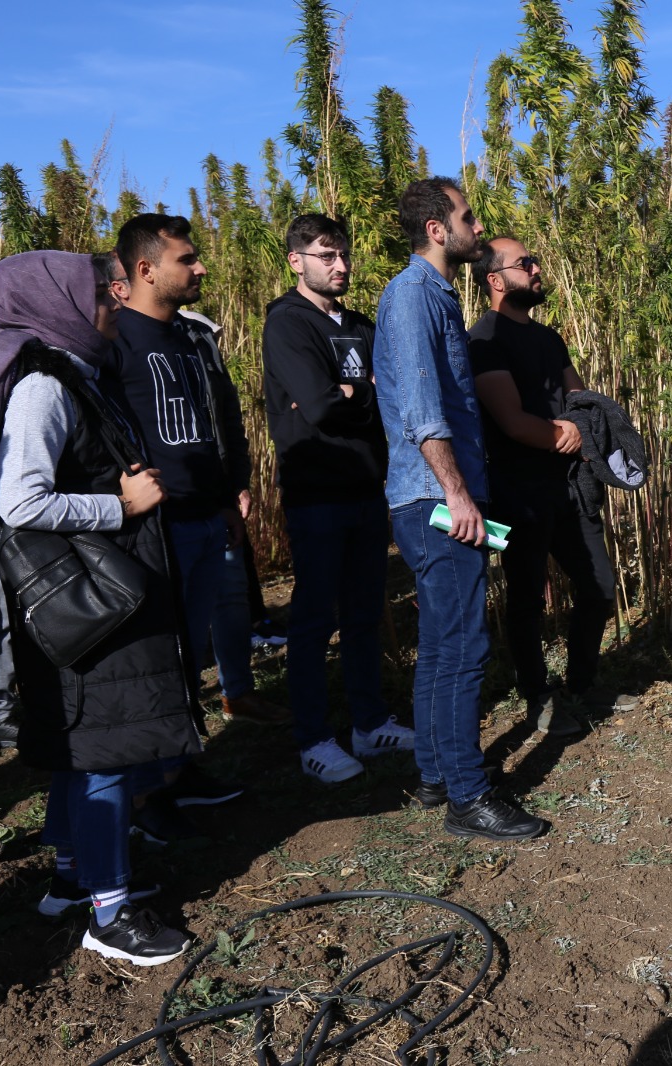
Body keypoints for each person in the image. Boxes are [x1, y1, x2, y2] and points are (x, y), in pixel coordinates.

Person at [0, 250, 199, 964]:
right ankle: (110, 914)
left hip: (105, 593)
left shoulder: (79, 372)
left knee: (90, 750)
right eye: (99, 288)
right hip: (88, 601)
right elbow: (19, 501)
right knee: (104, 749)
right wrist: (120, 502)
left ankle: (72, 879)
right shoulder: (43, 386)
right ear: (61, 302)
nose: (115, 296)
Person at [375, 177, 545, 840]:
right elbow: (421, 409)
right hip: (435, 497)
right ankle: (469, 798)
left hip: (429, 494)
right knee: (464, 645)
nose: (478, 227)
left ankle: (437, 774)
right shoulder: (415, 294)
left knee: (444, 645)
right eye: (468, 217)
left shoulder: (430, 294)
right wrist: (457, 492)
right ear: (439, 230)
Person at [110, 216, 288, 727]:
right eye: (186, 259)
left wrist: (229, 493)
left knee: (206, 633)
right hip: (161, 528)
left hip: (209, 517)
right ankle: (161, 777)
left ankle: (188, 756)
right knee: (167, 650)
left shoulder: (190, 339)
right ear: (145, 269)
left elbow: (217, 420)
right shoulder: (115, 342)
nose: (201, 267)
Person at [263, 213, 411, 783]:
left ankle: (369, 723)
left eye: (344, 254)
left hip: (365, 487)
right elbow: (320, 408)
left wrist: (353, 394)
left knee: (363, 613)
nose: (342, 266)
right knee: (313, 618)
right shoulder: (288, 324)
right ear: (297, 261)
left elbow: (378, 395)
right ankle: (314, 738)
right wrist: (355, 392)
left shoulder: (361, 324)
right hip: (317, 492)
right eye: (327, 255)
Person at [470, 237, 613, 737]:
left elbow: (578, 397)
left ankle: (581, 682)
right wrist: (564, 432)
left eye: (534, 261)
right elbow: (510, 421)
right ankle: (538, 698)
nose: (535, 268)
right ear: (495, 279)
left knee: (599, 588)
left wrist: (586, 425)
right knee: (527, 599)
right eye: (524, 263)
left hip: (571, 485)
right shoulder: (484, 340)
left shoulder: (550, 338)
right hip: (519, 492)